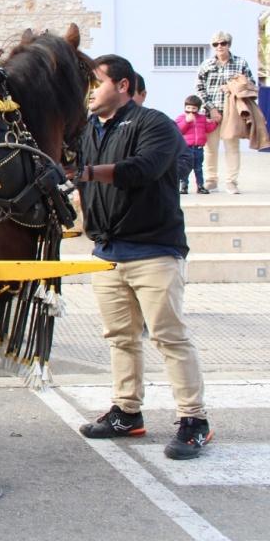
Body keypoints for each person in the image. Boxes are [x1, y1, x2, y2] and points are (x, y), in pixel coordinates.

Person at [77, 54, 212, 460]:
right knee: (120, 338)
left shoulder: (155, 124)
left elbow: (142, 169)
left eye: (96, 83)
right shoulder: (88, 130)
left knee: (169, 337)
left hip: (154, 251)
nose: (90, 92)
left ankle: (194, 420)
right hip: (107, 254)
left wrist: (83, 173)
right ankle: (126, 412)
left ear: (121, 86)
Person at [195, 30, 253, 194]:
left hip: (232, 112)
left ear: (229, 44)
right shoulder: (206, 65)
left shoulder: (240, 63)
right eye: (216, 44)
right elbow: (199, 89)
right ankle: (211, 180)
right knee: (210, 149)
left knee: (232, 147)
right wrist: (211, 109)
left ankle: (231, 182)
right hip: (211, 113)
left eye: (223, 43)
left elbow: (250, 85)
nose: (219, 47)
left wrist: (231, 87)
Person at [176, 95, 215, 194]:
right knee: (185, 167)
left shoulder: (202, 118)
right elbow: (178, 130)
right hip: (186, 148)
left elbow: (208, 128)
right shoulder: (181, 117)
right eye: (188, 108)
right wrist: (187, 122)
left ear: (198, 108)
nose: (191, 110)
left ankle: (200, 186)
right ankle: (184, 186)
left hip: (198, 148)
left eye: (194, 108)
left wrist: (214, 122)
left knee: (198, 168)